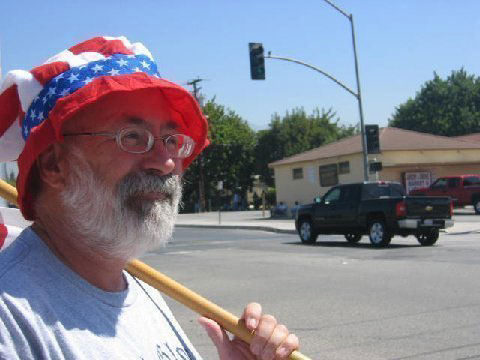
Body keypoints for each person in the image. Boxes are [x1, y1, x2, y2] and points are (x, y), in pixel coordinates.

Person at [0, 36, 299, 359]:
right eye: (132, 136)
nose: (166, 161)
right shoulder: (11, 318)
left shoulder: (140, 289)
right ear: (54, 164)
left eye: (171, 140)